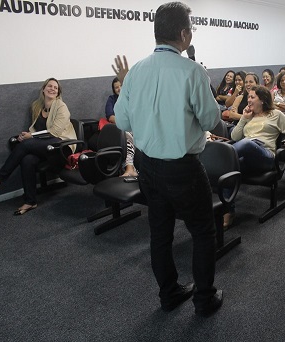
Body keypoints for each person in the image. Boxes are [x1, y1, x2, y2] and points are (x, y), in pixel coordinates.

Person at [112, 1, 223, 317]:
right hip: (182, 168)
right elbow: (210, 120)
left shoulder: (135, 72)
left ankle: (169, 294)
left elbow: (122, 122)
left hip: (147, 165)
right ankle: (204, 299)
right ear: (185, 34)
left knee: (159, 233)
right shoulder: (193, 71)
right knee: (203, 232)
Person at [0, 78, 77, 215]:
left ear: (58, 93)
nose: (52, 89)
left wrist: (31, 138)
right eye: (49, 86)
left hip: (62, 146)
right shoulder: (36, 106)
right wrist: (27, 135)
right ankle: (30, 201)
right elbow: (36, 129)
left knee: (26, 145)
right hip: (45, 146)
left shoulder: (61, 107)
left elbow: (55, 132)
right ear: (43, 89)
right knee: (27, 159)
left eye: (55, 88)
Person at [231, 85, 285, 175]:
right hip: (248, 156)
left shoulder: (275, 114)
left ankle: (224, 157)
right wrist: (243, 118)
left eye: (252, 97)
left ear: (262, 100)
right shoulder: (249, 115)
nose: (249, 100)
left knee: (246, 143)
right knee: (230, 170)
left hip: (266, 155)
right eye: (248, 97)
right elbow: (234, 137)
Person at [103, 77, 138, 177]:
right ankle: (129, 168)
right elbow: (110, 116)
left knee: (130, 134)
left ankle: (131, 168)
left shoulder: (132, 97)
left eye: (121, 86)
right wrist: (124, 122)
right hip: (119, 127)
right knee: (126, 134)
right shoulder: (112, 99)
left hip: (133, 126)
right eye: (116, 87)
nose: (119, 89)